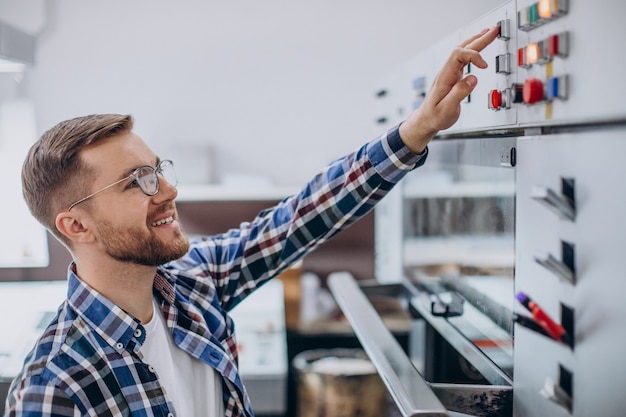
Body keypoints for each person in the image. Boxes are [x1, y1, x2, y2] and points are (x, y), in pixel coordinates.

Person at [4, 26, 499, 417]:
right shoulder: (54, 387)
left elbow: (298, 220)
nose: (169, 190)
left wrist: (415, 132)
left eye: (159, 170)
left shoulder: (193, 285)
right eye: (139, 181)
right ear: (76, 226)